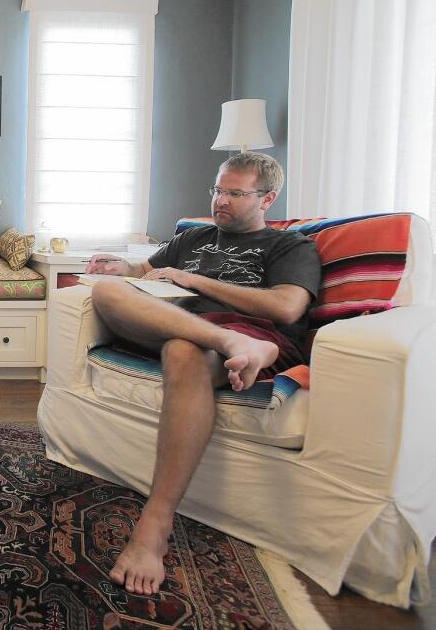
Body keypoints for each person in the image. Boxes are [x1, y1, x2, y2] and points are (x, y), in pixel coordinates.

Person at [82, 151, 320, 597]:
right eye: (218, 189)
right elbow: (148, 270)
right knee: (110, 293)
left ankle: (155, 523)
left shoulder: (291, 246)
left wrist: (196, 282)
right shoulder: (194, 238)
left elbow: (288, 306)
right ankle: (236, 348)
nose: (220, 200)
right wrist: (121, 267)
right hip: (205, 332)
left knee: (182, 351)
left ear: (267, 198)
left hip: (248, 330)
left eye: (234, 192)